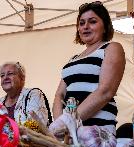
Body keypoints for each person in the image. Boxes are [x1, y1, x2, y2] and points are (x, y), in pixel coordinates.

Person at [53, 1, 126, 134]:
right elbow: (59, 95)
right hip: (69, 133)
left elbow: (105, 92)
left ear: (105, 27)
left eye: (92, 21)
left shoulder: (111, 48)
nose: (85, 26)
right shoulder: (73, 59)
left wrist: (66, 124)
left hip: (97, 131)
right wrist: (59, 125)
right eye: (81, 23)